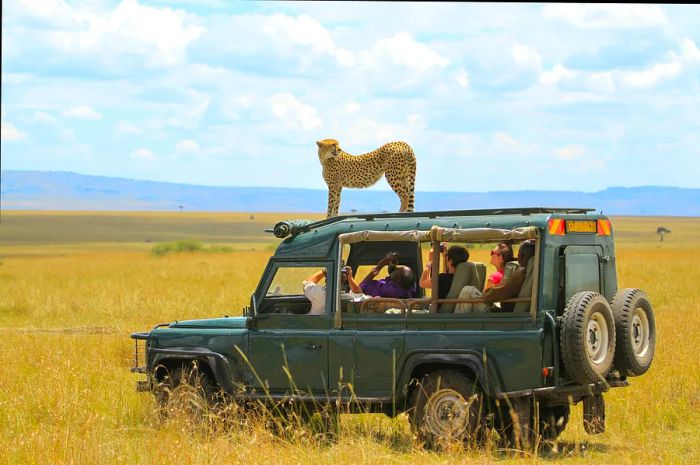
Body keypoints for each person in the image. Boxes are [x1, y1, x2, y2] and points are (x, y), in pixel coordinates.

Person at [455, 239, 536, 313]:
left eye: (492, 253)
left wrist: (485, 295)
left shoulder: (521, 273)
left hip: (504, 315)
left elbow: (500, 291)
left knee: (468, 290)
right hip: (509, 310)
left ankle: (457, 325)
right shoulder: (534, 271)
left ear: (520, 256)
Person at [303, 266, 367, 315]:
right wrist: (350, 277)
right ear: (344, 281)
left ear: (326, 281)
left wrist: (324, 271)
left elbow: (307, 283)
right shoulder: (349, 298)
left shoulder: (318, 293)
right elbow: (359, 294)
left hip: (317, 325)